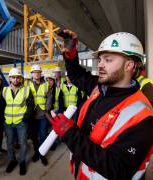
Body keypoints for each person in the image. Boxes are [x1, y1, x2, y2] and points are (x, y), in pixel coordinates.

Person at [48, 31, 153, 179]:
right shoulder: (99, 87)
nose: (100, 65)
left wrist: (69, 133)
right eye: (100, 59)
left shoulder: (143, 117)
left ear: (129, 65)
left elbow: (118, 169)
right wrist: (71, 53)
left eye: (108, 60)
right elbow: (77, 75)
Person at [2, 68, 34, 175]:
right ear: (10, 78)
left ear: (20, 79)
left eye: (18, 77)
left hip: (21, 122)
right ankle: (12, 160)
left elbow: (30, 105)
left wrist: (25, 118)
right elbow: (2, 105)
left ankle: (22, 162)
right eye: (13, 77)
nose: (15, 79)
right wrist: (3, 118)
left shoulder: (26, 90)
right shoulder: (4, 90)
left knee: (22, 143)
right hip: (8, 122)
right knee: (9, 143)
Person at [29, 64, 53, 166]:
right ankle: (36, 152)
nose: (36, 74)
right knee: (34, 135)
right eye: (34, 72)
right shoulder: (28, 85)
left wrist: (47, 109)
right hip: (32, 115)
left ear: (40, 73)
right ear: (32, 74)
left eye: (38, 72)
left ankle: (42, 154)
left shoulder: (46, 84)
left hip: (43, 114)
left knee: (43, 135)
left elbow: (49, 97)